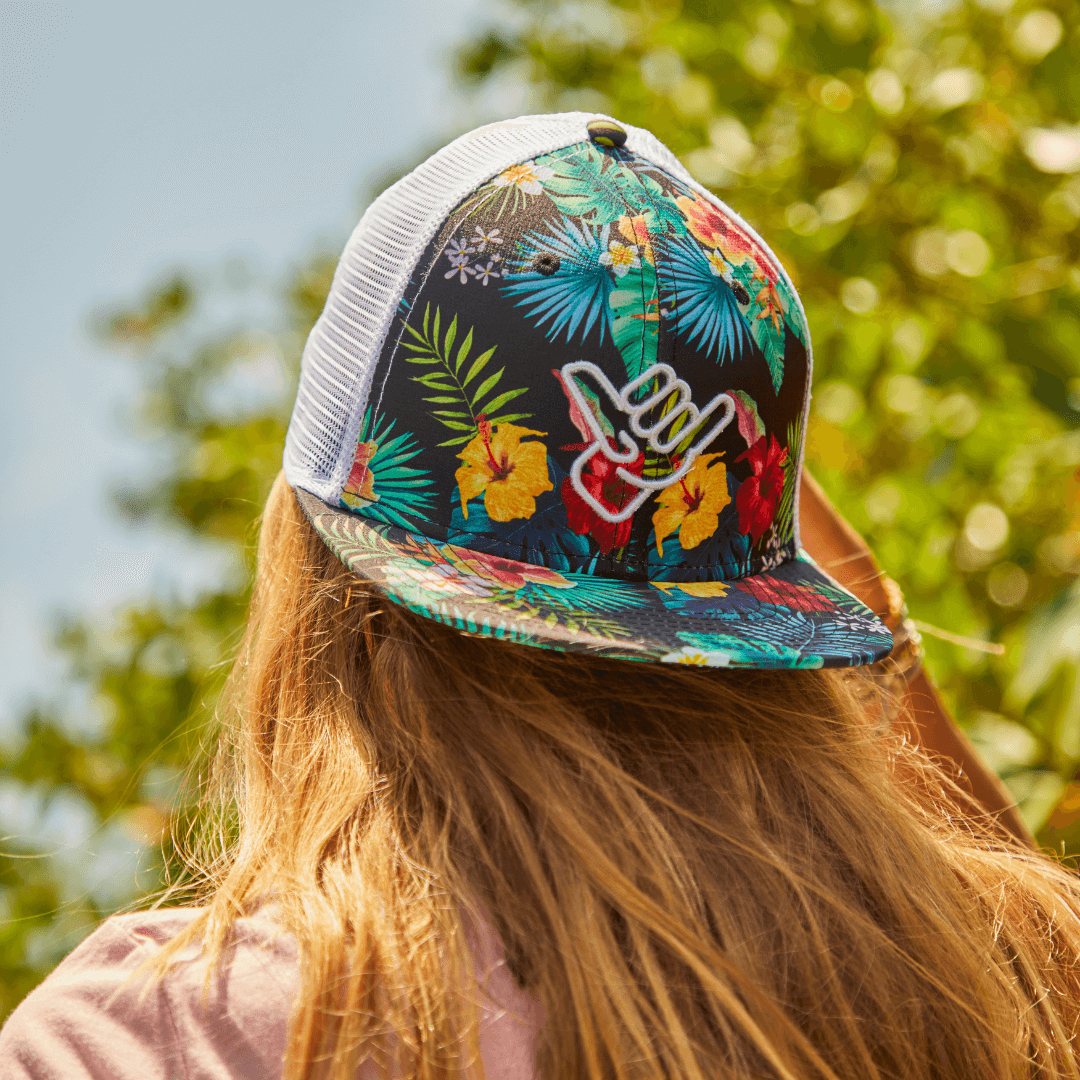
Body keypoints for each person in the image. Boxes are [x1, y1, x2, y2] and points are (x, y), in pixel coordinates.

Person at [2, 112, 1078, 1080]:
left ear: (312, 556)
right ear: (760, 620)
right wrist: (826, 599)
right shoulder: (1003, 967)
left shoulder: (157, 1036)